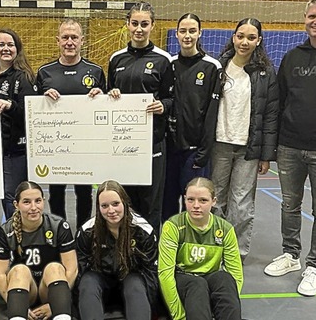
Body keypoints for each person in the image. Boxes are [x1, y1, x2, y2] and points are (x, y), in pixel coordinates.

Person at [264, 0, 316, 297]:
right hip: (290, 147)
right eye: (312, 16)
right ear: (305, 19)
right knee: (290, 205)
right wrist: (275, 146)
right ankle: (291, 255)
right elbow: (279, 102)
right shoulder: (292, 56)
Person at [212, 18, 278, 261]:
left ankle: (235, 252)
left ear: (258, 41)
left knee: (241, 203)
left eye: (251, 37)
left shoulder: (266, 72)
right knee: (216, 197)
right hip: (219, 144)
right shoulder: (218, 67)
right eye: (241, 36)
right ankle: (214, 247)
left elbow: (271, 114)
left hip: (249, 149)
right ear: (233, 37)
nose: (245, 42)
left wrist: (266, 155)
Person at [107, 1, 174, 232]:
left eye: (144, 24)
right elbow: (109, 97)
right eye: (134, 23)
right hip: (122, 143)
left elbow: (172, 99)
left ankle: (150, 254)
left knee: (150, 202)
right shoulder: (116, 59)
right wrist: (111, 93)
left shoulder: (163, 60)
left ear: (152, 26)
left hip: (153, 143)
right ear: (127, 24)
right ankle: (125, 249)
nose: (139, 29)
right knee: (124, 200)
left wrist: (162, 106)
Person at [36, 18, 106, 229]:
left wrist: (101, 96)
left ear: (82, 41)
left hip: (85, 147)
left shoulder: (95, 71)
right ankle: (60, 234)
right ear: (57, 40)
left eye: (74, 37)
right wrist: (42, 98)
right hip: (55, 147)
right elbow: (34, 109)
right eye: (65, 37)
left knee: (84, 192)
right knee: (56, 193)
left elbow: (106, 107)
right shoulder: (44, 72)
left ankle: (84, 234)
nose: (69, 42)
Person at [162, 13, 222, 223]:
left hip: (195, 151)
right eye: (183, 31)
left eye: (192, 31)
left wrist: (204, 152)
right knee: (167, 204)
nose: (187, 36)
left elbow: (212, 113)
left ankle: (191, 249)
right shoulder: (168, 64)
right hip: (169, 149)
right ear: (177, 34)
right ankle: (168, 249)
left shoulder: (212, 67)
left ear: (200, 33)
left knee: (194, 205)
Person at [158, 177, 243, 320]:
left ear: (214, 201)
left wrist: (229, 303)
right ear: (184, 200)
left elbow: (236, 275)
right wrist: (179, 315)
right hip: (184, 279)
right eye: (190, 200)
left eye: (203, 200)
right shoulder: (173, 226)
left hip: (210, 278)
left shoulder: (225, 229)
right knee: (197, 284)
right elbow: (165, 274)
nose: (196, 205)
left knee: (225, 279)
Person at [0, 181, 77, 320]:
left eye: (38, 201)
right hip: (24, 290)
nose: (33, 207)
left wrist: (55, 304)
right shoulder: (6, 231)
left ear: (43, 201)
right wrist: (14, 304)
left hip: (50, 289)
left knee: (55, 268)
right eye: (26, 202)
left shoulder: (58, 226)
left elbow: (71, 269)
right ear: (16, 205)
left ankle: (62, 316)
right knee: (19, 270)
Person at [76, 180, 158, 320]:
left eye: (115, 204)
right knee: (88, 281)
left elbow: (151, 274)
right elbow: (80, 270)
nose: (111, 211)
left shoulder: (144, 231)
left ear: (124, 202)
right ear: (98, 207)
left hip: (132, 285)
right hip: (100, 284)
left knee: (135, 283)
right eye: (104, 206)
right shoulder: (87, 232)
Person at [0, 29, 38, 220]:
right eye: (1, 44)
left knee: (12, 195)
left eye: (10, 44)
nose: (6, 49)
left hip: (15, 150)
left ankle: (17, 235)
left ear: (17, 48)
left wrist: (10, 105)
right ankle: (11, 231)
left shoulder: (24, 77)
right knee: (0, 193)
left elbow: (31, 115)